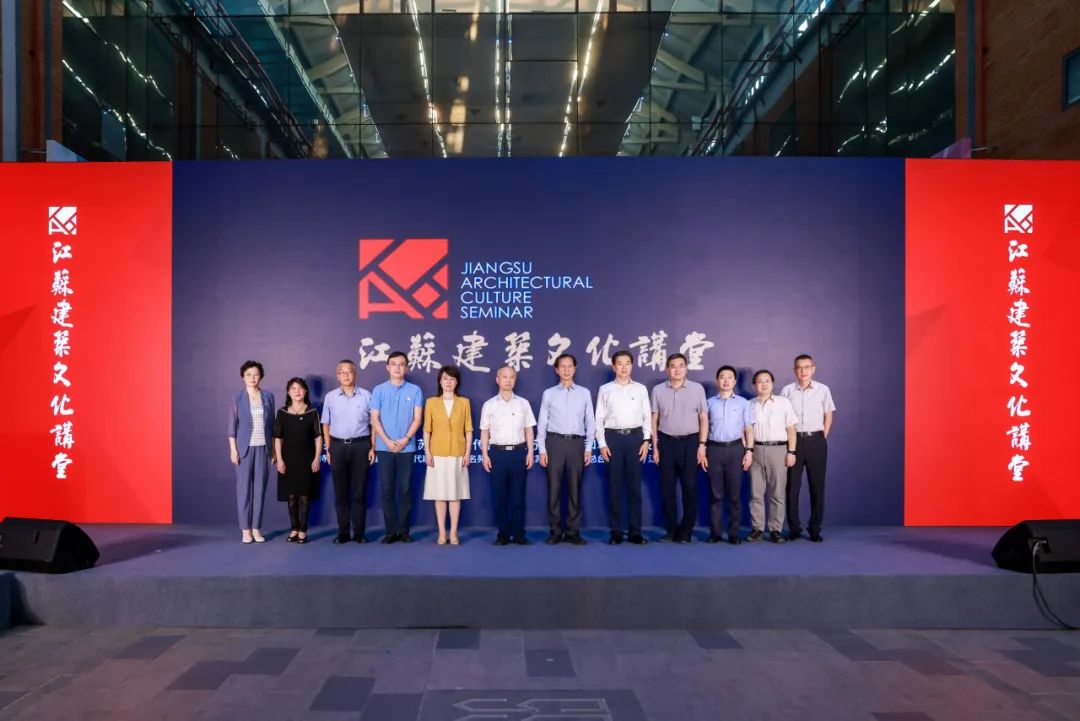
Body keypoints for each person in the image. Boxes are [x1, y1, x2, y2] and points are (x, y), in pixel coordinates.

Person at [537, 353, 595, 545]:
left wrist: (588, 448)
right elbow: (542, 422)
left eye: (570, 366)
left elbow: (590, 421)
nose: (566, 370)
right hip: (554, 443)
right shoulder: (549, 393)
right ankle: (555, 531)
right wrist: (542, 449)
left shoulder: (584, 393)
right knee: (554, 489)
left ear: (575, 369)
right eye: (562, 366)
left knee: (574, 489)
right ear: (557, 370)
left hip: (576, 444)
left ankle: (572, 531)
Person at [595, 350, 651, 545]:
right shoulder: (605, 389)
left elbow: (647, 417)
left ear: (632, 365)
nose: (624, 367)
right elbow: (599, 418)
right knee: (615, 487)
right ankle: (616, 532)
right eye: (620, 363)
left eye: (627, 363)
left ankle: (635, 532)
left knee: (635, 488)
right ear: (614, 367)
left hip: (635, 439)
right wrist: (602, 443)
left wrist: (646, 441)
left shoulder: (640, 389)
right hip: (613, 439)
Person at [651, 353, 709, 543]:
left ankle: (686, 530)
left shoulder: (697, 389)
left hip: (690, 442)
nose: (677, 369)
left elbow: (703, 417)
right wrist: (655, 446)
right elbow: (654, 419)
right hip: (666, 442)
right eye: (673, 366)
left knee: (689, 488)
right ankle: (671, 530)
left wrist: (702, 445)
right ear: (667, 369)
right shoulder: (658, 390)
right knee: (666, 489)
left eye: (681, 365)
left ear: (686, 368)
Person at [781, 354, 836, 542]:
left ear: (813, 369)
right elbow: (783, 416)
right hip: (793, 442)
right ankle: (794, 528)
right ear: (794, 370)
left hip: (816, 441)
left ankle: (815, 528)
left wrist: (821, 436)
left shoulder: (823, 390)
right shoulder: (787, 390)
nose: (803, 371)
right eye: (799, 367)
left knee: (817, 487)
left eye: (806, 367)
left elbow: (828, 415)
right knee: (792, 488)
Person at [370, 351, 424, 544]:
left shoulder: (415, 390)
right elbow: (374, 418)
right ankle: (390, 531)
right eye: (394, 364)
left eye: (401, 364)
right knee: (387, 490)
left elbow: (417, 418)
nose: (397, 367)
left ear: (406, 368)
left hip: (407, 448)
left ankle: (404, 531)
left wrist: (405, 439)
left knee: (405, 489)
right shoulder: (379, 390)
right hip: (384, 448)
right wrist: (386, 440)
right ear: (388, 367)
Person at [479, 365, 536, 546]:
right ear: (498, 380)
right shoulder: (489, 405)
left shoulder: (523, 403)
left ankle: (519, 534)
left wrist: (530, 452)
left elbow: (529, 429)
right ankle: (502, 534)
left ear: (515, 380)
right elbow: (484, 432)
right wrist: (485, 454)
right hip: (497, 454)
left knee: (518, 497)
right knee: (499, 497)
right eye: (504, 377)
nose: (508, 380)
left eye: (511, 377)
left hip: (519, 453)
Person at [321, 359, 374, 544]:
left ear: (355, 374)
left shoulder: (366, 395)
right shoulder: (330, 397)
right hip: (337, 446)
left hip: (361, 445)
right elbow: (325, 424)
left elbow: (374, 424)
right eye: (341, 372)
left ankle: (359, 533)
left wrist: (372, 447)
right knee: (341, 492)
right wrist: (328, 448)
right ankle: (343, 533)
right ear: (337, 376)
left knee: (359, 492)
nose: (345, 375)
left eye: (349, 371)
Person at [422, 365, 473, 545]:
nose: (448, 382)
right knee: (440, 494)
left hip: (458, 453)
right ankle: (442, 533)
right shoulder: (431, 402)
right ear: (440, 381)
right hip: (437, 454)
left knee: (455, 494)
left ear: (457, 382)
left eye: (452, 379)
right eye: (445, 378)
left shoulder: (464, 402)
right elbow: (427, 430)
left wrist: (467, 453)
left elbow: (468, 430)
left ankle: (454, 532)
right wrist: (428, 453)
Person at [704, 366, 754, 544]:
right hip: (714, 449)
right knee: (715, 495)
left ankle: (733, 533)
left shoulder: (743, 403)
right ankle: (715, 533)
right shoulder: (708, 403)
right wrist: (703, 449)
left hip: (735, 450)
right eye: (722, 377)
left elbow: (749, 428)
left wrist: (749, 450)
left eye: (729, 377)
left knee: (734, 495)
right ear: (717, 380)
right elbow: (704, 428)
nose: (726, 381)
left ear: (734, 381)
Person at [227, 360, 276, 544]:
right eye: (248, 375)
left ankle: (256, 528)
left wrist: (273, 451)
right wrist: (233, 450)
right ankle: (245, 530)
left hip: (264, 448)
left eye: (256, 374)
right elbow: (232, 427)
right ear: (243, 377)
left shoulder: (268, 397)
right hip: (244, 450)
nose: (252, 378)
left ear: (260, 376)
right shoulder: (237, 398)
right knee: (244, 491)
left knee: (260, 490)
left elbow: (272, 426)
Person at [747, 369, 798, 543]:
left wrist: (791, 452)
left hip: (778, 450)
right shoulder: (749, 405)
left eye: (767, 381)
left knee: (777, 493)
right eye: (760, 381)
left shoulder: (783, 403)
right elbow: (745, 429)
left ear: (772, 383)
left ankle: (776, 529)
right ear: (754, 385)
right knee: (756, 493)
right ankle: (757, 529)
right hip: (756, 449)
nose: (764, 384)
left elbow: (791, 429)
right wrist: (748, 450)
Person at [274, 377, 322, 544]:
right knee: (292, 497)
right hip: (288, 460)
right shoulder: (282, 412)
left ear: (306, 391)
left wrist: (317, 458)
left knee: (304, 497)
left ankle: (303, 530)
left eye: (300, 388)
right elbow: (278, 437)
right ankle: (293, 528)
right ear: (288, 392)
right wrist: (279, 459)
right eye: (293, 388)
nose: (297, 391)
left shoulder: (312, 412)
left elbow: (318, 437)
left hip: (307, 460)